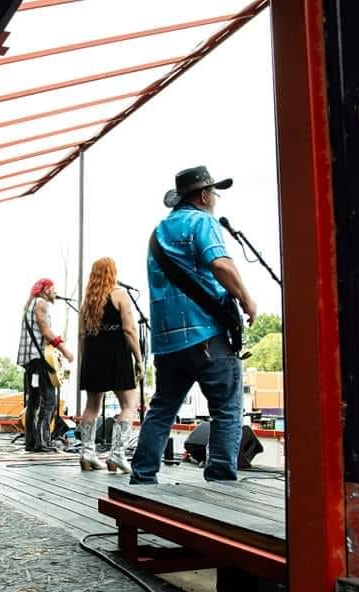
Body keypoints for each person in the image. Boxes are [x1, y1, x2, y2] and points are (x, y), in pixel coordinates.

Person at [131, 166, 257, 484]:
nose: (214, 199)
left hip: (168, 343)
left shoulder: (158, 232)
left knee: (161, 409)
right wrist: (246, 298)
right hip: (207, 336)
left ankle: (142, 477)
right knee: (227, 410)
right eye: (213, 193)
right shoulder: (202, 221)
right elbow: (220, 263)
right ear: (203, 195)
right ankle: (220, 481)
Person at [77, 258, 144, 473]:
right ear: (112, 273)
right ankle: (117, 455)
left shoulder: (86, 301)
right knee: (129, 405)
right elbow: (129, 330)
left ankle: (87, 452)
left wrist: (86, 358)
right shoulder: (120, 295)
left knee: (92, 406)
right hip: (116, 354)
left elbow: (81, 335)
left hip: (93, 355)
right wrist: (139, 359)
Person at [16, 278, 73, 453]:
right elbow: (46, 331)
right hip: (40, 360)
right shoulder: (41, 303)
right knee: (49, 401)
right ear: (45, 289)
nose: (55, 292)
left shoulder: (30, 304)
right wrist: (65, 351)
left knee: (33, 401)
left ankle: (31, 442)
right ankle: (43, 442)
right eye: (53, 288)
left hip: (30, 361)